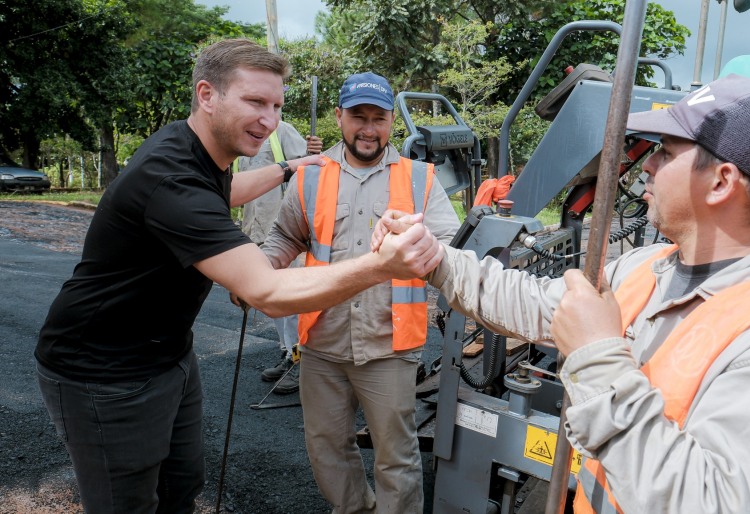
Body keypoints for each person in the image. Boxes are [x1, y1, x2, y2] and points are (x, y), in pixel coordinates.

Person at [376, 74, 750, 513]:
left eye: (666, 153)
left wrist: (597, 357)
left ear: (722, 181)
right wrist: (435, 259)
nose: (648, 166)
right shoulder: (648, 268)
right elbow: (533, 303)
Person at [34, 39, 443, 514]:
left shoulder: (195, 154)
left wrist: (287, 167)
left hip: (170, 354)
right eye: (254, 102)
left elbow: (226, 191)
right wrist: (380, 265)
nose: (269, 120)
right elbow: (265, 288)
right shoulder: (174, 178)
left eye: (275, 105)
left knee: (182, 484)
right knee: (126, 502)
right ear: (206, 95)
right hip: (104, 369)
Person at [259, 71, 460, 513]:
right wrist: (257, 270)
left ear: (392, 122)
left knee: (396, 458)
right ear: (339, 117)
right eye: (358, 116)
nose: (368, 129)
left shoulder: (419, 179)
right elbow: (284, 238)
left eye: (379, 118)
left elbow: (450, 248)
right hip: (322, 343)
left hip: (390, 345)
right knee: (327, 448)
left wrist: (423, 247)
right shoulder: (311, 176)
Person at [235, 121, 323, 394]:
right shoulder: (239, 138)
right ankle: (287, 352)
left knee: (292, 301)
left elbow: (308, 166)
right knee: (272, 298)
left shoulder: (282, 131)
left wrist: (311, 150)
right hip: (254, 229)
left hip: (285, 233)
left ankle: (300, 358)